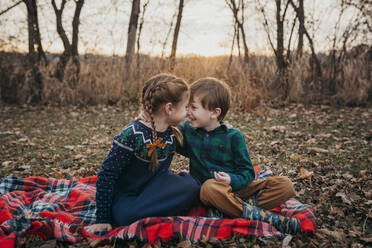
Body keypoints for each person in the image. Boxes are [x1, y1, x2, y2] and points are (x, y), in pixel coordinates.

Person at [177, 77, 301, 234]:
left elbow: (248, 172)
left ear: (215, 113)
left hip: (237, 189)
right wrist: (150, 121)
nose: (188, 112)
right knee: (208, 187)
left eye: (193, 107)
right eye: (187, 107)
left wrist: (230, 180)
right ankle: (260, 216)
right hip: (211, 192)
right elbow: (169, 137)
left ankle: (226, 209)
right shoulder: (188, 130)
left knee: (285, 185)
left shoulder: (233, 137)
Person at [85, 74, 200, 233]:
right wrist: (102, 219)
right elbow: (107, 175)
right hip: (129, 196)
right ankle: (156, 210)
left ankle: (155, 209)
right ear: (169, 108)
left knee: (192, 187)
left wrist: (217, 126)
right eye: (185, 107)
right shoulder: (132, 135)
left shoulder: (173, 133)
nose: (188, 112)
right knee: (125, 217)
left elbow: (199, 148)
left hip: (156, 188)